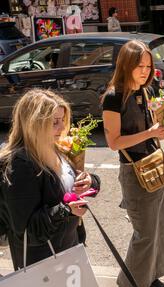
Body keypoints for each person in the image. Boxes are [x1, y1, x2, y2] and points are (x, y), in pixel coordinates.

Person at [102, 40, 164, 287]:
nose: (145, 71)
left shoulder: (144, 91)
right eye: (139, 66)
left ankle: (148, 279)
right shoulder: (113, 97)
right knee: (144, 234)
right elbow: (114, 143)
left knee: (160, 228)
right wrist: (150, 132)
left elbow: (149, 129)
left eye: (148, 66)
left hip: (154, 166)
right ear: (126, 65)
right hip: (134, 172)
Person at [0, 89, 100, 270]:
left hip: (67, 252)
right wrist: (66, 210)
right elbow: (28, 231)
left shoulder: (52, 148)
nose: (62, 128)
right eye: (54, 122)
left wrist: (90, 181)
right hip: (42, 265)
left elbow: (69, 184)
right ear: (34, 124)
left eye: (62, 120)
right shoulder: (19, 166)